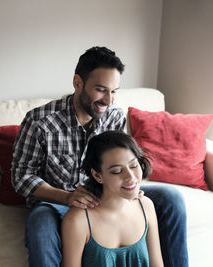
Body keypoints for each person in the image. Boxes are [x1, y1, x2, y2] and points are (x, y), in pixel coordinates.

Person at [11, 46, 188, 267]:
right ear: (78, 83)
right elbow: (21, 176)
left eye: (114, 91)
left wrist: (129, 186)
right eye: (101, 90)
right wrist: (66, 197)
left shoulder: (114, 117)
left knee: (171, 198)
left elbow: (123, 163)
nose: (109, 100)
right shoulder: (40, 121)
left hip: (106, 193)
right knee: (39, 225)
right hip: (58, 200)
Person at [61, 131, 163, 267]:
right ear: (97, 176)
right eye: (117, 171)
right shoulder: (78, 220)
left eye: (133, 166)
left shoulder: (146, 206)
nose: (131, 177)